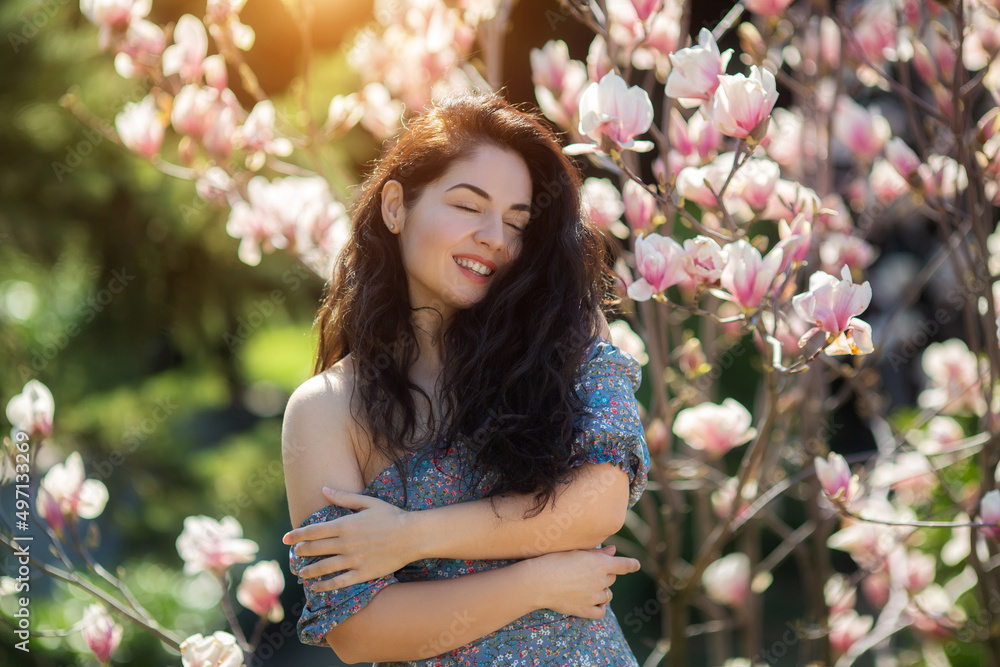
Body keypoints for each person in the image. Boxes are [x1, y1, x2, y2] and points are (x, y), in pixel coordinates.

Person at [280, 91, 651, 666]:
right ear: (396, 206)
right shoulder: (326, 410)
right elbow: (357, 632)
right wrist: (542, 582)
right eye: (467, 205)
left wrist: (408, 535)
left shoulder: (565, 340)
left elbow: (600, 504)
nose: (495, 238)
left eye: (516, 222)